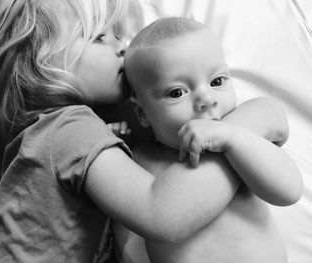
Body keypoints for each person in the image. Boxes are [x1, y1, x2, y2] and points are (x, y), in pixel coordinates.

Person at [0, 1, 299, 262]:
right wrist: (243, 126)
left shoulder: (69, 129)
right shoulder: (67, 129)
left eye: (118, 35)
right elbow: (164, 213)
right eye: (100, 37)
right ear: (41, 61)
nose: (121, 48)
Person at [112, 17, 303, 263]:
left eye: (217, 81)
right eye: (177, 92)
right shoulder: (141, 160)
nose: (207, 99)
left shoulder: (244, 137)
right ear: (141, 113)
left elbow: (289, 191)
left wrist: (233, 139)